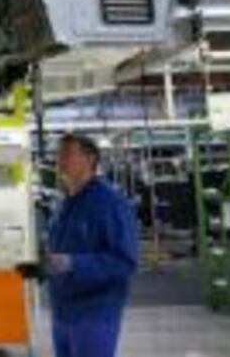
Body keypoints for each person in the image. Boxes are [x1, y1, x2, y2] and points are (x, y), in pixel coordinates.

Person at [44, 133, 139, 357]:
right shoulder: (64, 203)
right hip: (62, 310)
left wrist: (72, 264)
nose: (58, 160)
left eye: (67, 153)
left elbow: (124, 262)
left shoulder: (110, 202)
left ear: (89, 159)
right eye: (57, 154)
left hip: (95, 312)